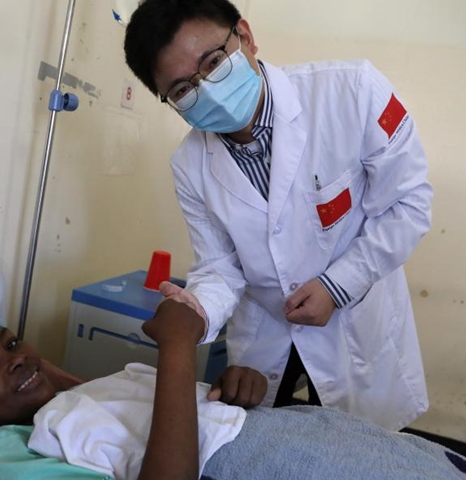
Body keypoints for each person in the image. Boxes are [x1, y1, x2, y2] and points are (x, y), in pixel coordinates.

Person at [122, 0, 433, 430]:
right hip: (266, 337)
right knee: (266, 448)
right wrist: (197, 310)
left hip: (355, 328)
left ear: (245, 37)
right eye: (182, 90)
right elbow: (220, 267)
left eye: (213, 62)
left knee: (362, 451)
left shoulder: (352, 90)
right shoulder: (189, 165)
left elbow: (408, 203)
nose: (206, 88)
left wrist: (337, 286)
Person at [0, 303, 466, 480]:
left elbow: (161, 423)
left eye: (10, 342)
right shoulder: (11, 459)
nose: (16, 358)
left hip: (302, 432)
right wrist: (178, 348)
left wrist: (226, 392)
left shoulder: (83, 393)